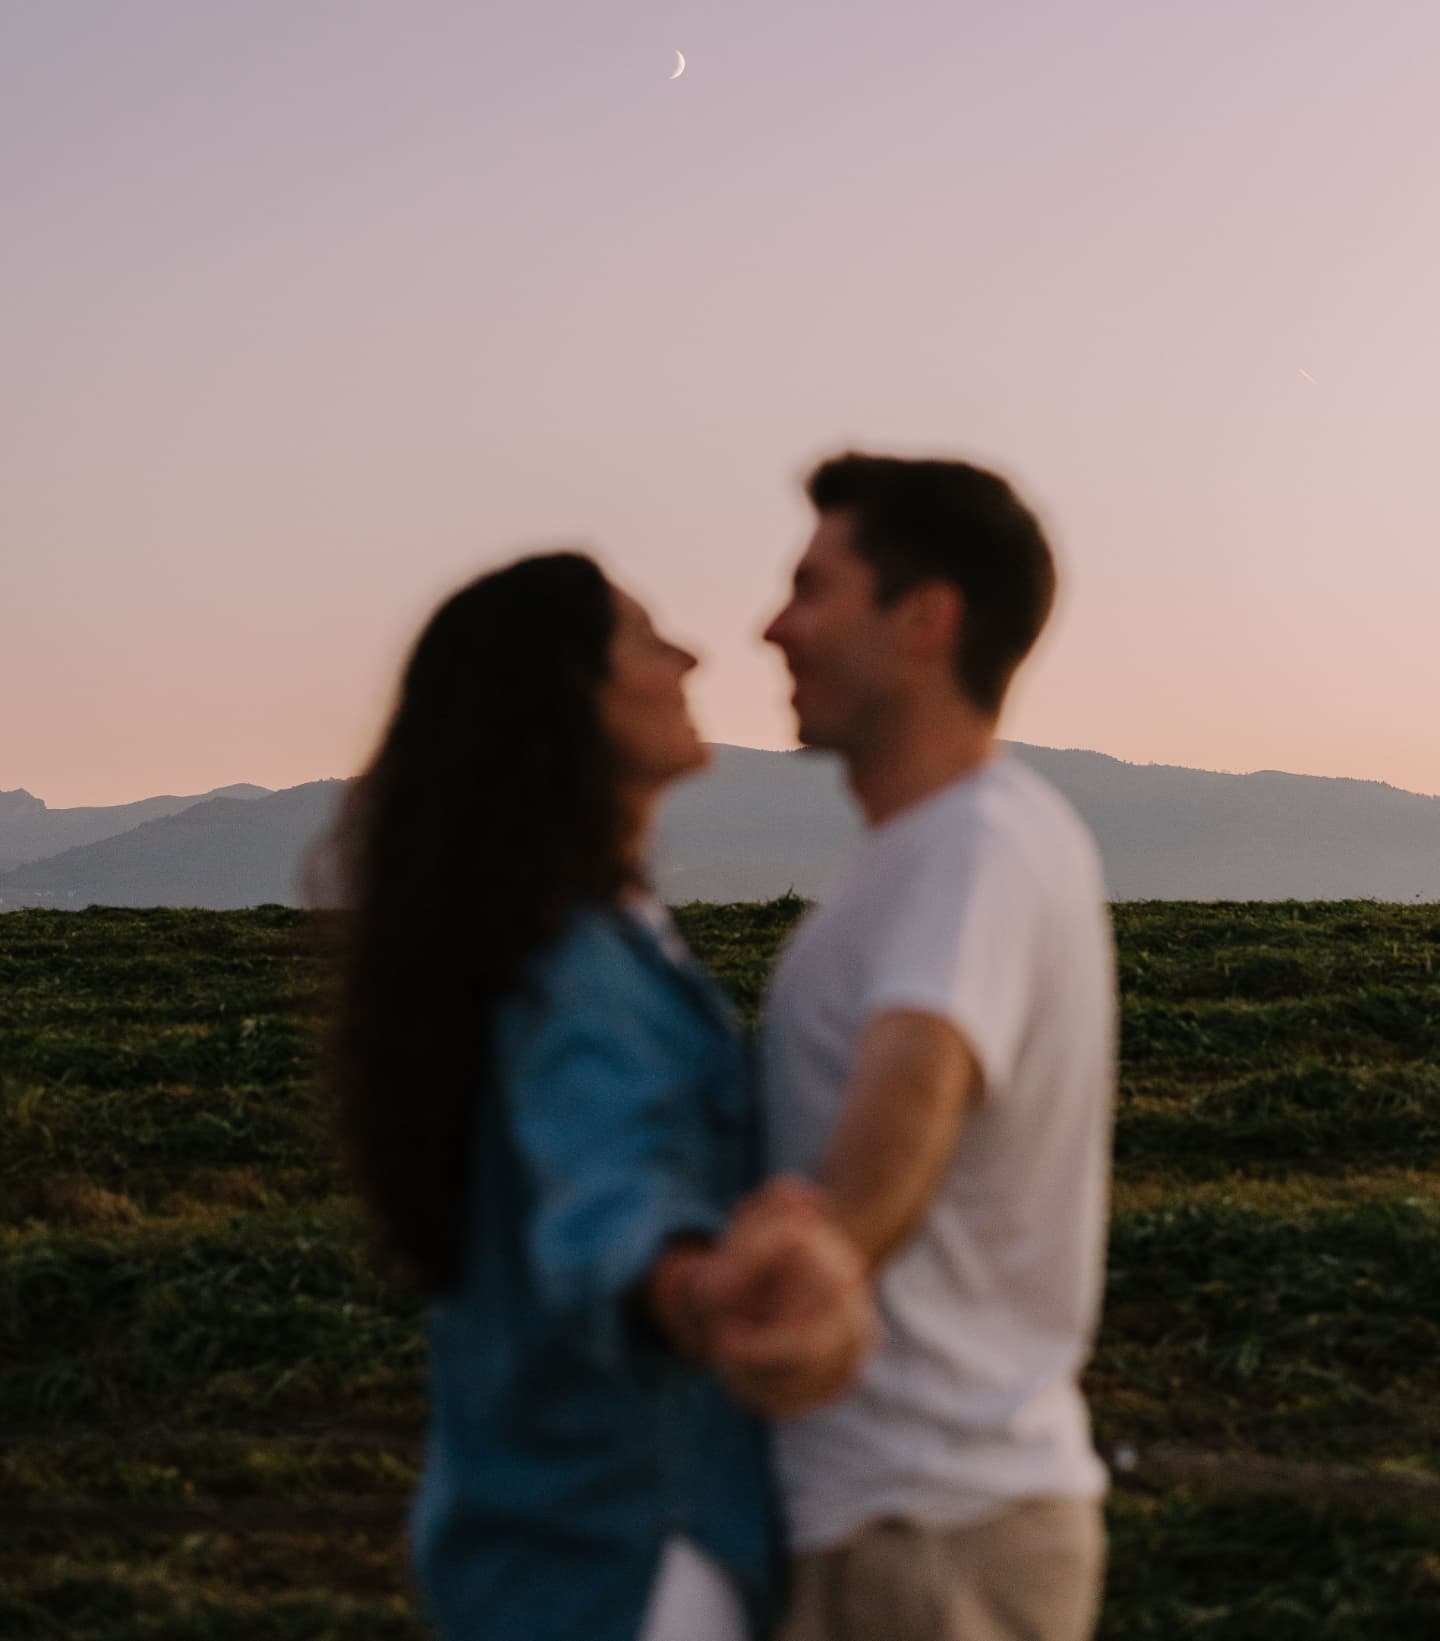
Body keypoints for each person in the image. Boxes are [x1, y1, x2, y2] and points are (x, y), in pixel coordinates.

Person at [325, 551, 873, 1641]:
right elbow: (607, 1191)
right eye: (643, 635)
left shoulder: (554, 937)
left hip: (550, 1548)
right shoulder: (574, 965)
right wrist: (700, 1289)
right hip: (627, 1561)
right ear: (566, 699)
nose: (690, 656)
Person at [757, 453, 1117, 1641]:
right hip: (917, 1526)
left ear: (926, 620)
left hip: (922, 1545)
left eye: (814, 589)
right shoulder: (939, 849)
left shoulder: (972, 849)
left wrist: (800, 1270)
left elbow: (910, 1106)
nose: (775, 627)